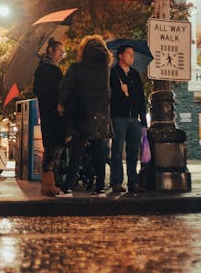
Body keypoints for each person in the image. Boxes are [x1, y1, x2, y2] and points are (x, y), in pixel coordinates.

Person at [55, 34, 112, 198]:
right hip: (100, 116)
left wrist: (62, 103)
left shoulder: (77, 68)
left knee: (77, 152)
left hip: (81, 114)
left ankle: (67, 189)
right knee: (99, 152)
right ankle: (100, 188)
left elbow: (65, 87)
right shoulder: (106, 70)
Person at [109, 44, 145, 195]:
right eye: (129, 53)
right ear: (120, 55)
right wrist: (119, 90)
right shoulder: (112, 73)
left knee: (133, 151)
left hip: (134, 119)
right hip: (118, 117)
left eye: (133, 54)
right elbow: (108, 96)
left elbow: (141, 97)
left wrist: (143, 120)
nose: (132, 57)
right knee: (117, 150)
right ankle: (117, 181)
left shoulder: (135, 75)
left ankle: (133, 181)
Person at [32, 37, 66, 197]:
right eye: (59, 51)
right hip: (51, 114)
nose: (61, 54)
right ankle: (48, 184)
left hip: (52, 114)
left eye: (63, 52)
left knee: (53, 148)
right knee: (52, 148)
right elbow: (41, 90)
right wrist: (57, 104)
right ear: (50, 50)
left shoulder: (49, 68)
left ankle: (48, 183)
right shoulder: (47, 69)